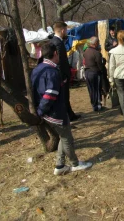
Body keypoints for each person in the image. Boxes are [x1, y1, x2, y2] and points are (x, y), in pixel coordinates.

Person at [31, 43, 92, 175]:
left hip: (47, 111)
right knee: (67, 138)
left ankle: (60, 165)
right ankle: (74, 164)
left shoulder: (38, 68)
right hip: (54, 112)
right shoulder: (51, 71)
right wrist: (41, 110)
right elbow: (50, 94)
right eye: (58, 53)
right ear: (55, 54)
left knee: (63, 137)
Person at [50, 21, 81, 122]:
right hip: (61, 74)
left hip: (62, 73)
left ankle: (70, 114)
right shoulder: (57, 43)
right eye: (66, 30)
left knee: (65, 96)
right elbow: (59, 62)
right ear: (62, 30)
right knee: (64, 96)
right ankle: (67, 116)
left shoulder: (56, 41)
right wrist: (62, 76)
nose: (67, 32)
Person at [83, 36, 103, 111]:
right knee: (97, 89)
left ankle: (93, 104)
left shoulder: (86, 51)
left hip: (87, 72)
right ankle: (97, 105)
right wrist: (101, 71)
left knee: (91, 89)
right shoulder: (96, 53)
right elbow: (99, 65)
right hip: (95, 72)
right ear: (96, 43)